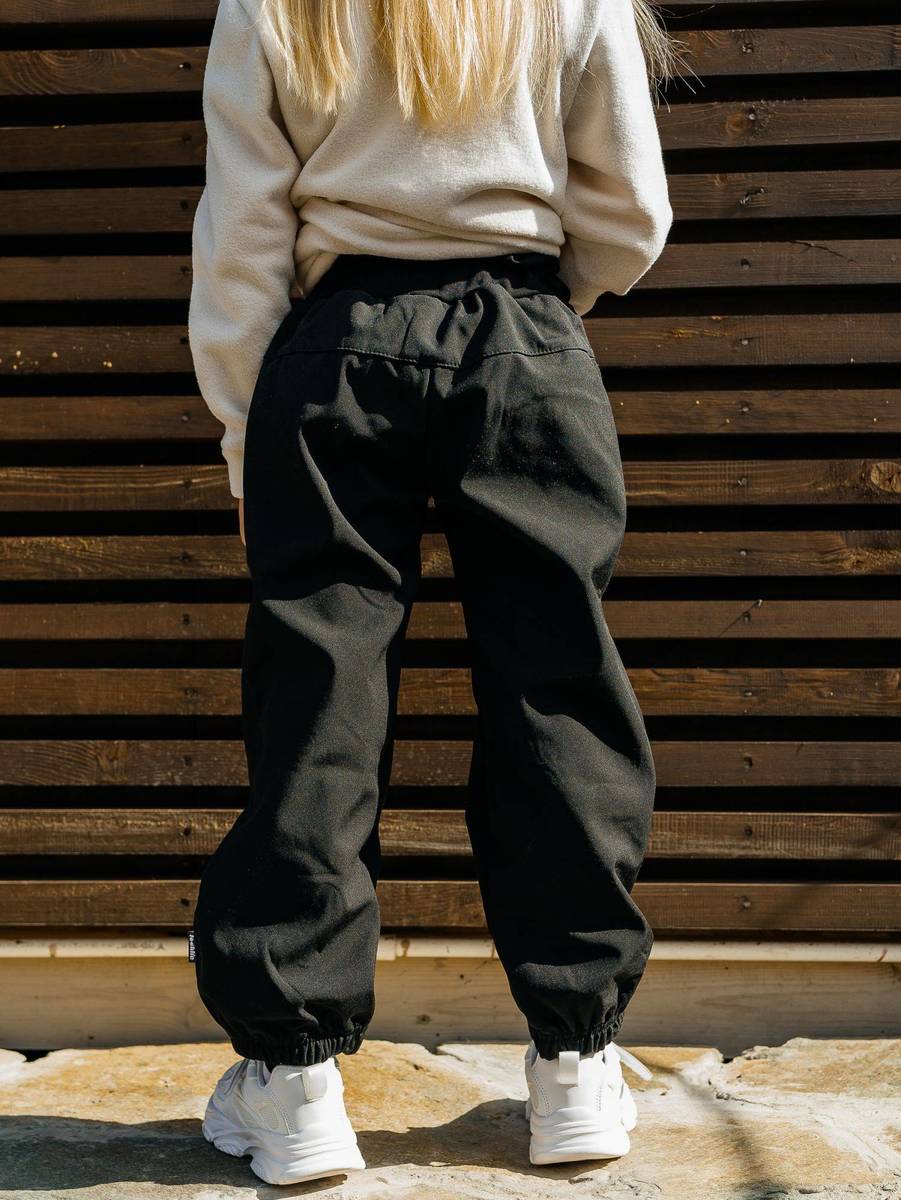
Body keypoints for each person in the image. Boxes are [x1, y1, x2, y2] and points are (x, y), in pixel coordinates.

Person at [187, 0, 674, 1185]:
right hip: (524, 335)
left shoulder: (270, 4)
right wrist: (531, 314)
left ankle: (295, 1084)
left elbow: (243, 232)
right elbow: (629, 215)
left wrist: (244, 435)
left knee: (319, 696)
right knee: (556, 686)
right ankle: (575, 1066)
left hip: (333, 349)